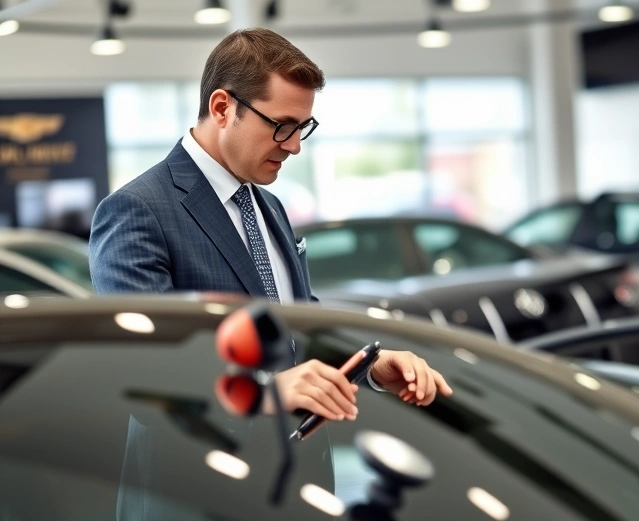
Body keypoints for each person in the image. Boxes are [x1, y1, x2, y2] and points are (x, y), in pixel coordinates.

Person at [90, 28, 453, 416]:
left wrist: (369, 368)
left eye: (302, 128)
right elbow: (144, 368)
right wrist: (264, 394)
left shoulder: (270, 205)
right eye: (282, 125)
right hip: (201, 454)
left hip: (297, 450)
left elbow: (298, 333)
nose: (294, 145)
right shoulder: (136, 210)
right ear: (222, 108)